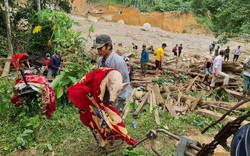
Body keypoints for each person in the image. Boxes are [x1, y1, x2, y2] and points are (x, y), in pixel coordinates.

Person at [94, 34, 131, 112]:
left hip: (119, 95)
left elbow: (120, 83)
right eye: (97, 49)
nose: (99, 51)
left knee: (114, 119)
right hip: (107, 93)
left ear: (109, 46)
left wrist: (114, 99)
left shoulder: (118, 62)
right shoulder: (101, 60)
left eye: (101, 48)